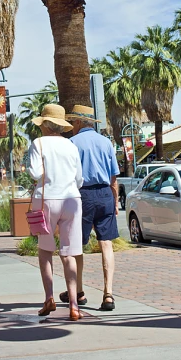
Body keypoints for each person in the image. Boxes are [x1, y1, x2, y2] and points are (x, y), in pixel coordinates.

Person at [28, 104, 84, 321]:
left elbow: (35, 173)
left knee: (45, 251)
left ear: (45, 125)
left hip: (47, 199)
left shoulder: (38, 144)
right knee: (69, 253)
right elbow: (79, 178)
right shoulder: (71, 145)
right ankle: (73, 305)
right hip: (71, 199)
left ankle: (49, 297)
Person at [65, 105, 120, 311]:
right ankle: (108, 294)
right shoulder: (106, 143)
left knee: (78, 244)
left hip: (83, 195)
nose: (71, 126)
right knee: (106, 243)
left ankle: (79, 291)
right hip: (105, 193)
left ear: (79, 122)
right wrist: (114, 201)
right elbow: (114, 177)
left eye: (72, 122)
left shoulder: (72, 143)